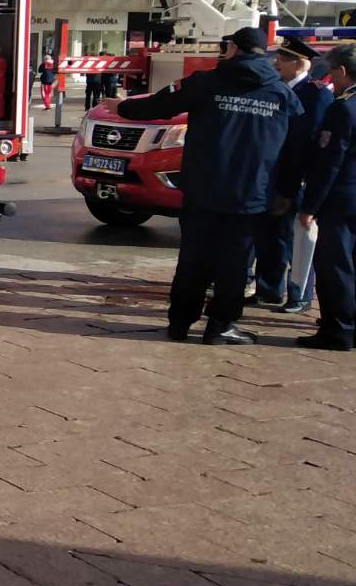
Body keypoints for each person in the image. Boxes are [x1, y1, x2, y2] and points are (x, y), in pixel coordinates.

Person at [117, 27, 300, 344]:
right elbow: (293, 151)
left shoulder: (206, 82)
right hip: (249, 195)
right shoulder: (282, 95)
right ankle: (221, 326)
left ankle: (180, 323)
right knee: (234, 263)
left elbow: (159, 105)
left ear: (233, 49)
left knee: (193, 258)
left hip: (203, 189)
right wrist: (286, 191)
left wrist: (121, 107)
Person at [250, 35, 332, 312]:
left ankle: (300, 295)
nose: (276, 63)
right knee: (271, 235)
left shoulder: (315, 94)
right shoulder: (279, 90)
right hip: (275, 176)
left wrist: (291, 186)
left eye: (283, 59)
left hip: (298, 180)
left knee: (297, 239)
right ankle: (268, 290)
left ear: (298, 64)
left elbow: (306, 145)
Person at [296, 43, 356, 352]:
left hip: (341, 201)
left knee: (336, 269)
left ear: (342, 72)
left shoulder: (343, 108)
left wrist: (310, 206)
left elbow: (329, 163)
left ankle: (338, 330)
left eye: (333, 72)